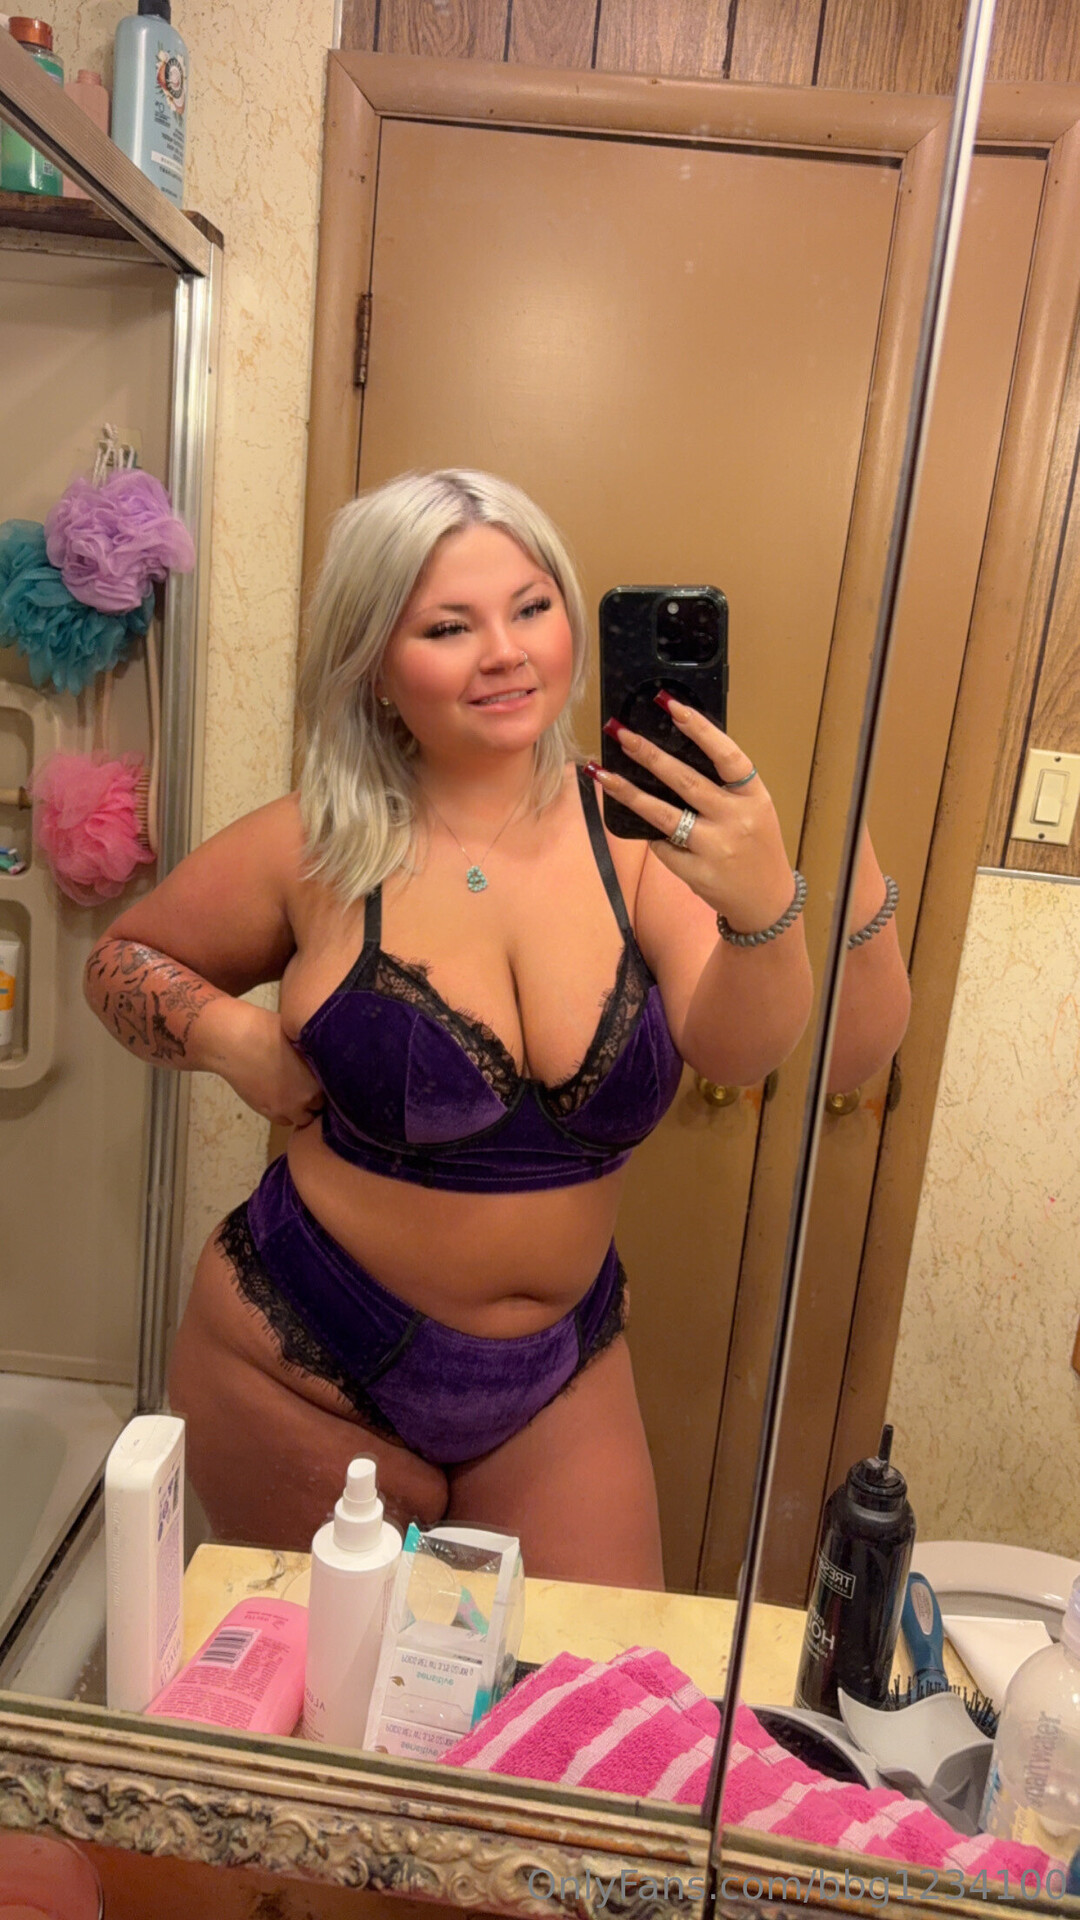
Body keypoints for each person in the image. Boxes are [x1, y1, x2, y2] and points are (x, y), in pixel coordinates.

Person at [85, 469, 814, 1589]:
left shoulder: (638, 837)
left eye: (531, 607)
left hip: (559, 1380)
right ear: (376, 662)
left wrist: (764, 908)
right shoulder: (314, 845)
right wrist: (233, 1039)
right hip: (298, 1364)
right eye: (448, 626)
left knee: (591, 1684)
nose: (505, 653)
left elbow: (738, 1049)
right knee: (329, 1693)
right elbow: (120, 961)